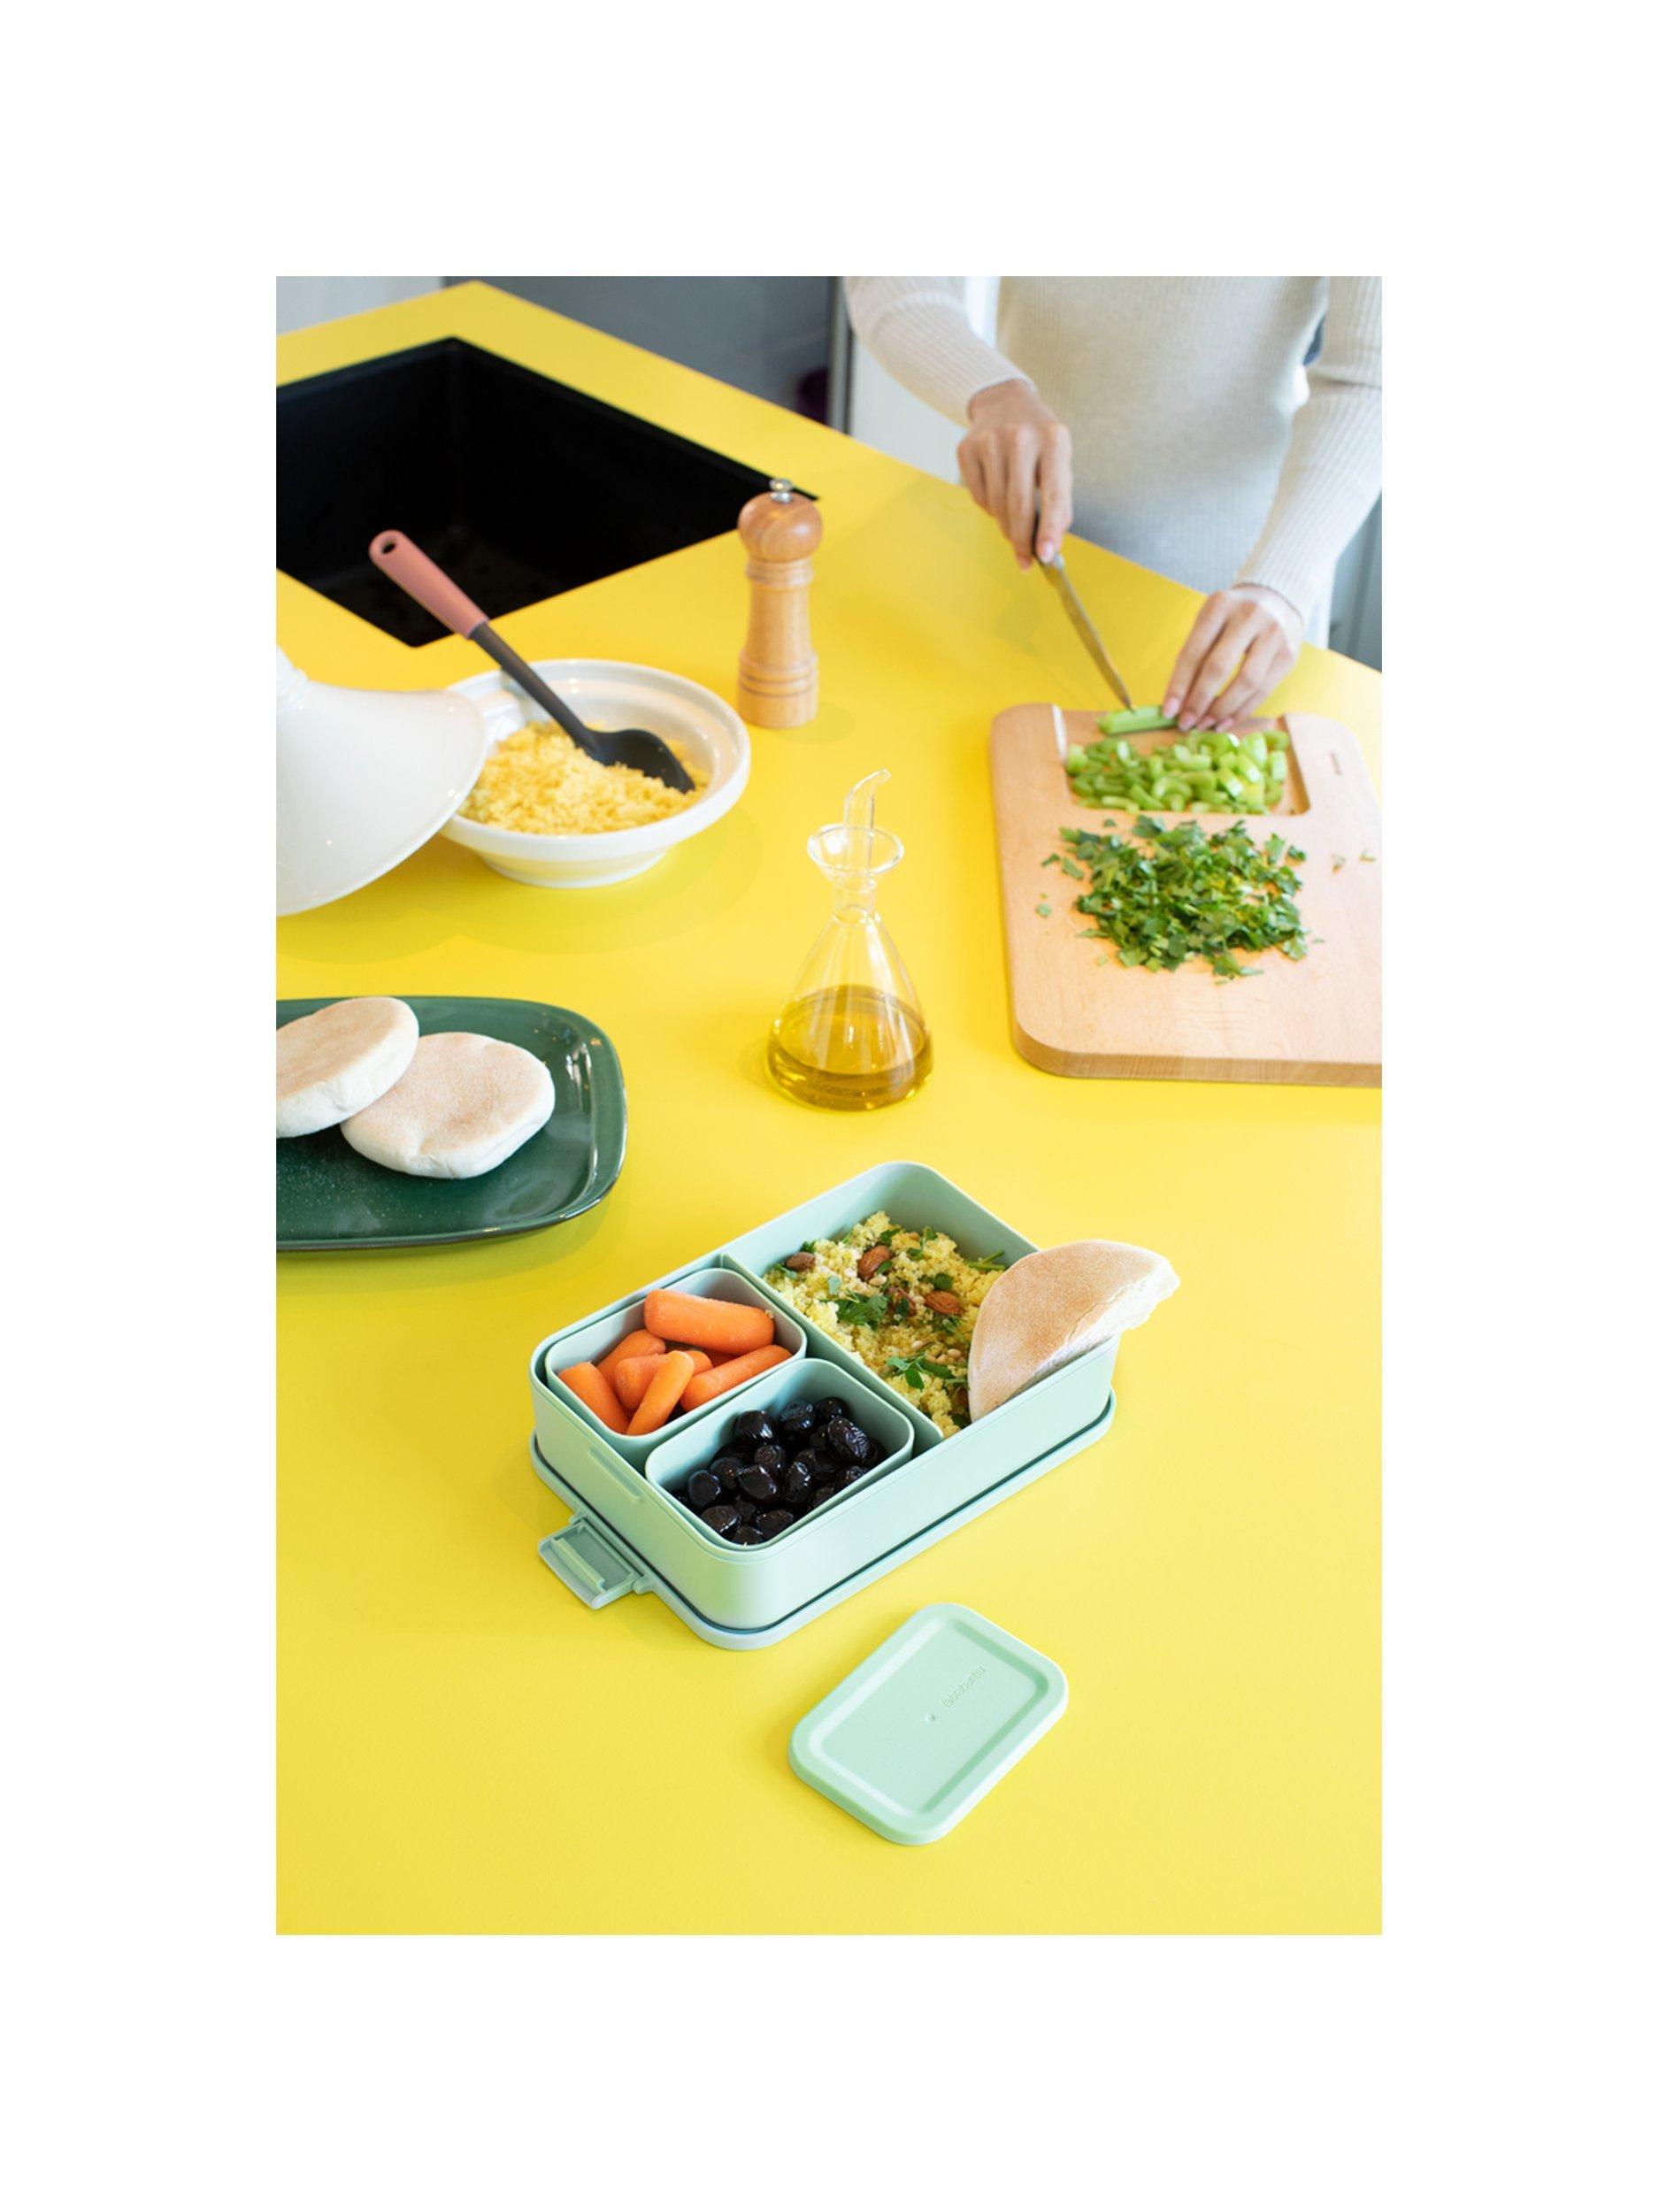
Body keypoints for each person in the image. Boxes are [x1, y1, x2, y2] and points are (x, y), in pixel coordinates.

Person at [844, 277, 1381, 731]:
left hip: (1238, 602)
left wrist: (1280, 584)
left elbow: (1372, 380)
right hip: (1013, 551)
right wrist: (991, 391)